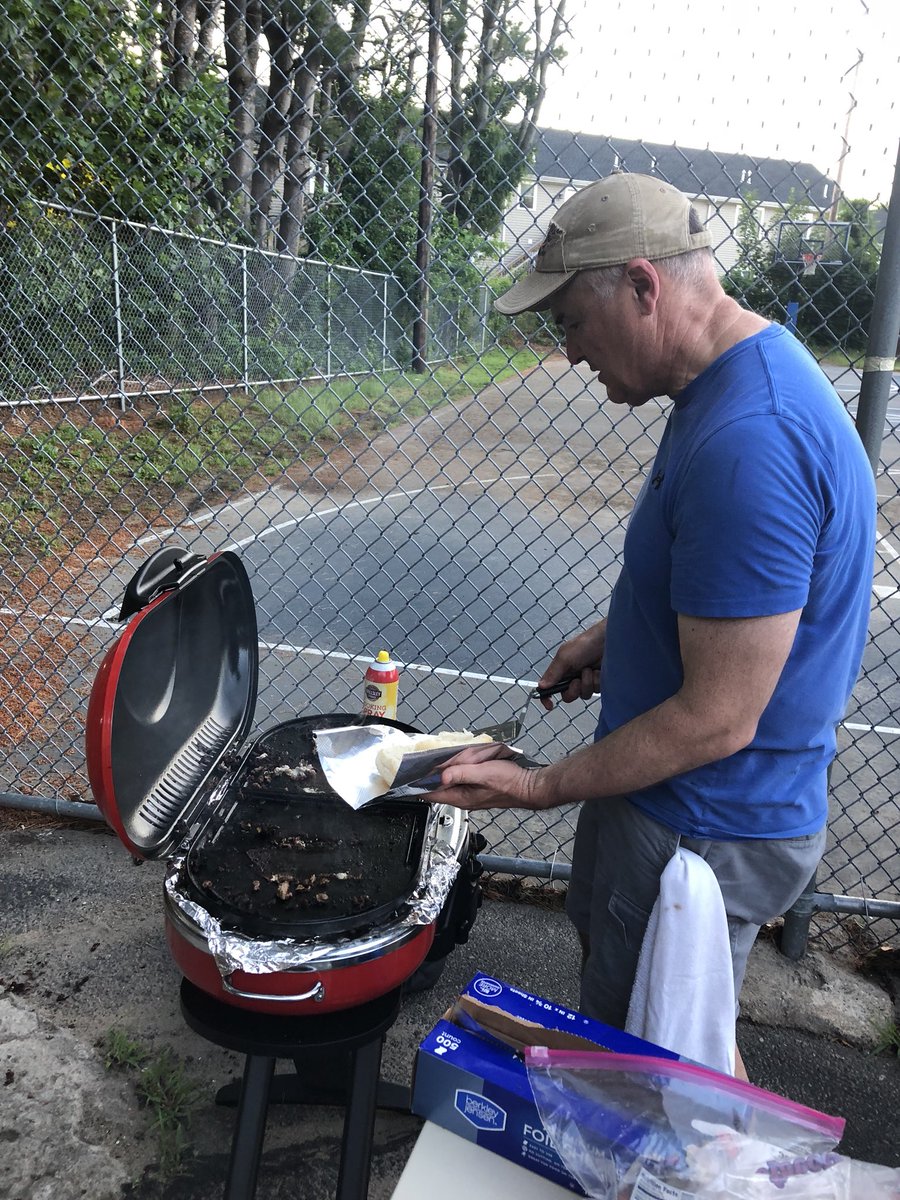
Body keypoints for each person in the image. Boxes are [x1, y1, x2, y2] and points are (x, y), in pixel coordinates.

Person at [426, 172, 876, 1072]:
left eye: (571, 323)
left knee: (646, 1070)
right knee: (663, 1025)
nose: (570, 353)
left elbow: (719, 716)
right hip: (667, 798)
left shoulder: (754, 440)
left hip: (702, 821)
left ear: (642, 287)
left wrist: (538, 787)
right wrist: (616, 638)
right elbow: (719, 594)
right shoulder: (721, 383)